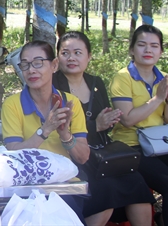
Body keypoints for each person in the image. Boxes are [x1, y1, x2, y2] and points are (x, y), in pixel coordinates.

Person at [53, 32, 153, 226]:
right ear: (57, 58)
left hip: (101, 152)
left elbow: (104, 118)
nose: (71, 58)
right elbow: (57, 126)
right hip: (72, 153)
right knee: (106, 189)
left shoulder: (95, 83)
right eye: (65, 53)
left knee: (136, 183)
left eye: (78, 52)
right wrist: (95, 125)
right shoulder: (53, 85)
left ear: (89, 56)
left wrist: (109, 120)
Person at [1, 40, 89, 222]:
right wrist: (45, 130)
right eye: (25, 64)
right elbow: (13, 153)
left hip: (64, 185)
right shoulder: (12, 104)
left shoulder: (71, 103)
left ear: (54, 65)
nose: (31, 70)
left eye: (38, 62)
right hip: (26, 186)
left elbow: (82, 157)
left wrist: (65, 134)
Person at [110, 25, 168, 226]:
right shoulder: (122, 78)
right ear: (132, 49)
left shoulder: (164, 77)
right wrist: (157, 98)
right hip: (132, 146)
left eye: (154, 46)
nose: (148, 50)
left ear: (161, 51)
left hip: (161, 144)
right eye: (142, 45)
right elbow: (127, 119)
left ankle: (163, 218)